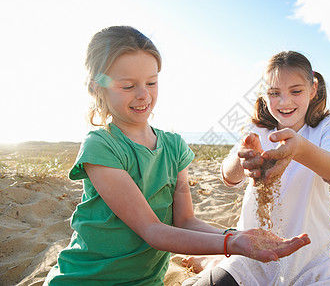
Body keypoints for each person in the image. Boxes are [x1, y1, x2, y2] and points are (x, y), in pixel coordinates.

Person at [43, 27, 311, 285]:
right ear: (97, 87)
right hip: (85, 279)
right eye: (127, 86)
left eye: (151, 82)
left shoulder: (173, 146)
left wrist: (238, 235)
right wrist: (232, 243)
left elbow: (185, 221)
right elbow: (152, 230)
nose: (143, 94)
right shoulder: (101, 146)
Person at [182, 51, 330, 285]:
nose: (284, 102)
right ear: (264, 95)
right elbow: (228, 176)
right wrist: (241, 161)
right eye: (274, 93)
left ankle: (212, 262)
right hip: (252, 254)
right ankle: (214, 263)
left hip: (309, 260)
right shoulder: (259, 129)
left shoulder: (325, 127)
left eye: (296, 91)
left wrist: (300, 149)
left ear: (313, 89)